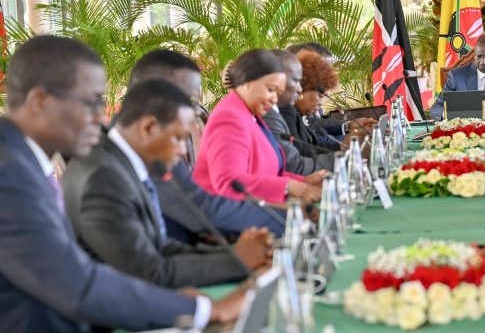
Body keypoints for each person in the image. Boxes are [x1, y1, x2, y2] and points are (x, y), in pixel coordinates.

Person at [0, 36, 244, 333]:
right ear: (40, 101)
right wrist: (205, 311)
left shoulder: (22, 160)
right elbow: (77, 284)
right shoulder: (9, 172)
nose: (101, 116)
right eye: (91, 103)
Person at [62, 79, 272, 289]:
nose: (183, 150)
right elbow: (148, 271)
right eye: (178, 138)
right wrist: (238, 261)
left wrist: (235, 254)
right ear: (149, 127)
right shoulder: (104, 177)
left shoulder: (120, 162)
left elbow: (159, 247)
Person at [129, 50, 286, 242]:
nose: (195, 113)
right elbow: (203, 212)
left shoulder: (161, 152)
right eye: (190, 102)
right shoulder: (113, 166)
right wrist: (291, 217)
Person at [192, 49, 326, 204]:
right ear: (247, 82)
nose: (275, 99)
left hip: (256, 206)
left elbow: (264, 172)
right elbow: (229, 183)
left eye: (278, 93)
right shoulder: (229, 118)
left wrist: (305, 180)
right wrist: (291, 186)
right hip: (231, 215)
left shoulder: (250, 114)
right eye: (271, 90)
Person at [265, 49, 335, 174]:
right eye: (296, 80)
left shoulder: (282, 111)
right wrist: (345, 156)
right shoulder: (277, 113)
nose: (300, 89)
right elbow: (294, 165)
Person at [429, 33, 485, 118]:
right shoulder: (456, 76)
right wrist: (454, 115)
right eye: (479, 56)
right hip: (467, 130)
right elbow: (436, 109)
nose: (483, 62)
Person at [283, 49, 344, 152]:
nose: (321, 103)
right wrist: (344, 146)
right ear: (303, 88)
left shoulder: (301, 114)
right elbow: (303, 153)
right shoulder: (286, 114)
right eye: (320, 96)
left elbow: (314, 144)